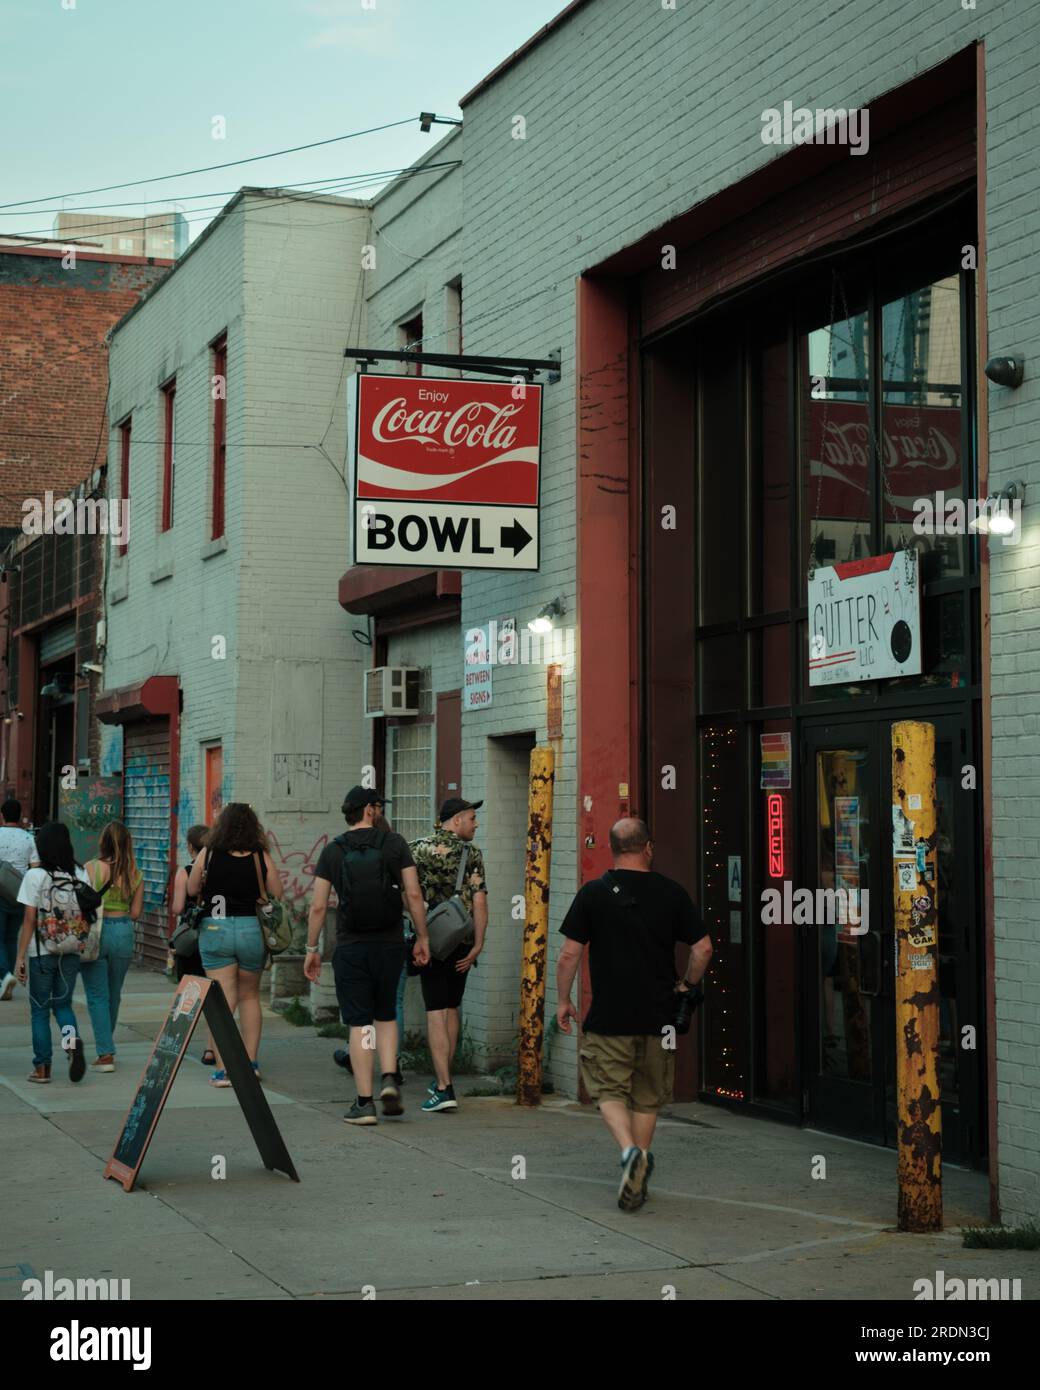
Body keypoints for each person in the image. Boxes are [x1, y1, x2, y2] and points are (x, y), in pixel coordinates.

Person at [556, 817, 712, 1212]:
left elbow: (570, 954)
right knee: (647, 1095)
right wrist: (686, 986)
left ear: (612, 849)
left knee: (607, 1090)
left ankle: (629, 1155)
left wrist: (563, 999)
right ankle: (639, 1161)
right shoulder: (672, 893)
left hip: (609, 1015)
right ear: (648, 848)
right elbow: (703, 949)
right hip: (659, 1016)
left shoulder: (593, 894)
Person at [305, 787, 430, 1125]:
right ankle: (389, 1077)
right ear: (371, 810)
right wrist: (422, 936)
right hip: (389, 944)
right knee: (386, 1013)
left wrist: (312, 949)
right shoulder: (395, 844)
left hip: (351, 947)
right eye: (378, 806)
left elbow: (318, 906)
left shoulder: (333, 850)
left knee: (360, 1022)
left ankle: (364, 1103)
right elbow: (414, 894)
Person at [186, 802, 283, 1087]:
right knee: (250, 996)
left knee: (223, 1000)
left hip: (215, 929)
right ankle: (250, 1064)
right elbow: (277, 893)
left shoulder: (208, 853)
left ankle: (223, 1069)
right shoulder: (259, 855)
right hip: (251, 930)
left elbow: (192, 890)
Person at [411, 797, 488, 1114]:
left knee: (435, 1009)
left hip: (430, 939)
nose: (476, 823)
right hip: (461, 940)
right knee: (452, 1007)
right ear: (455, 820)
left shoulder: (416, 849)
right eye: (472, 818)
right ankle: (444, 1079)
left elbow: (410, 895)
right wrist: (478, 945)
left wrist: (421, 936)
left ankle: (444, 1087)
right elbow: (480, 901)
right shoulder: (472, 854)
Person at [13, 821, 89, 1084]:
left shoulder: (35, 876)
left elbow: (29, 920)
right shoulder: (80, 873)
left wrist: (20, 957)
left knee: (39, 1010)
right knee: (63, 1005)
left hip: (41, 952)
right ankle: (70, 1044)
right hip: (70, 948)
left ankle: (42, 1068)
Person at [79, 822, 144, 1073]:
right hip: (124, 930)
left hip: (97, 931)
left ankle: (105, 1054)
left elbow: (81, 904)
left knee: (96, 995)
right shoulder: (134, 873)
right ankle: (106, 1043)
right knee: (114, 992)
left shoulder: (91, 868)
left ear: (102, 842)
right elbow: (136, 912)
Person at [170, 823, 215, 1066]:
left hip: (190, 940)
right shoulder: (217, 869)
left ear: (190, 847)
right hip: (214, 935)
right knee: (213, 997)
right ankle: (210, 1049)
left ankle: (177, 1042)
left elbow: (177, 907)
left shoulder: (185, 871)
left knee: (189, 994)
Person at [0, 798, 36, 1001]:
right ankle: (7, 978)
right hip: (20, 894)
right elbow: (36, 866)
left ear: (2, 815)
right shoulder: (28, 838)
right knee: (11, 937)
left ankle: (4, 975)